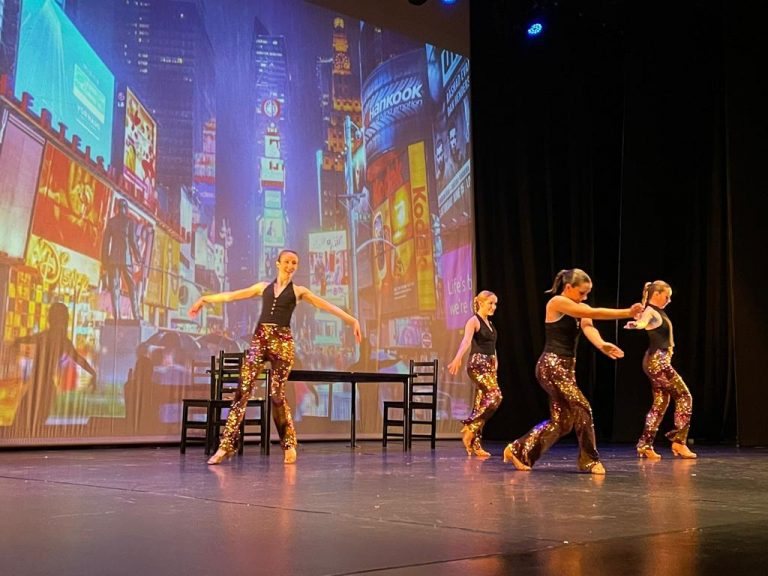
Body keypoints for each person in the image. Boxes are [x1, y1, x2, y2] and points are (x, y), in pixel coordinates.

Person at [189, 249, 362, 465]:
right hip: (260, 339)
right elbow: (232, 295)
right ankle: (226, 446)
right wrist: (205, 299)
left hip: (282, 342)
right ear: (278, 263)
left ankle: (289, 445)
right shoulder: (263, 287)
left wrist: (351, 320)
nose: (291, 266)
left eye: (295, 263)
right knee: (242, 390)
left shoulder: (299, 291)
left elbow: (325, 305)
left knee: (277, 395)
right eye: (287, 262)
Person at [503, 269, 644, 475]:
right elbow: (592, 313)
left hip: (567, 369)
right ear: (568, 288)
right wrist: (627, 312)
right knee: (582, 407)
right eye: (581, 293)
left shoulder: (580, 307)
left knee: (563, 423)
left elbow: (589, 326)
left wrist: (602, 344)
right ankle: (590, 460)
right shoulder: (557, 303)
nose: (585, 297)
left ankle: (519, 449)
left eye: (587, 293)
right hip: (551, 366)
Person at [624, 281, 696, 459]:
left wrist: (638, 323)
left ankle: (645, 444)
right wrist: (636, 325)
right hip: (658, 361)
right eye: (667, 296)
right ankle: (679, 442)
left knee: (660, 403)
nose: (669, 300)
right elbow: (643, 323)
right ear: (656, 294)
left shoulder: (656, 312)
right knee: (684, 396)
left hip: (655, 361)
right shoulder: (650, 311)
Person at [14, 302, 97, 429]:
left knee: (24, 423)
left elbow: (78, 359)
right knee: (31, 425)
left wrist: (17, 342)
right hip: (45, 388)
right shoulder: (58, 340)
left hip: (41, 388)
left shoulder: (47, 337)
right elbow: (79, 359)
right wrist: (93, 373)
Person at [447, 291, 502, 458]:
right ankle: (470, 426)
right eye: (490, 303)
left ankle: (475, 444)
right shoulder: (473, 321)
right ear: (480, 303)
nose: (493, 307)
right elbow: (466, 341)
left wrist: (495, 365)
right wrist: (457, 359)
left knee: (481, 405)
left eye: (495, 304)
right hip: (477, 365)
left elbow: (493, 347)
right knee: (495, 396)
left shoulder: (490, 324)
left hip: (489, 366)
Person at [101, 198, 142, 320]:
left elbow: (105, 243)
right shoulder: (129, 222)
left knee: (115, 288)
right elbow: (133, 242)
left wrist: (104, 261)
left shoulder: (111, 222)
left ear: (117, 208)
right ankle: (136, 315)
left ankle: (117, 316)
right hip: (126, 259)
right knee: (132, 287)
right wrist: (138, 258)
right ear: (126, 209)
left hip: (113, 259)